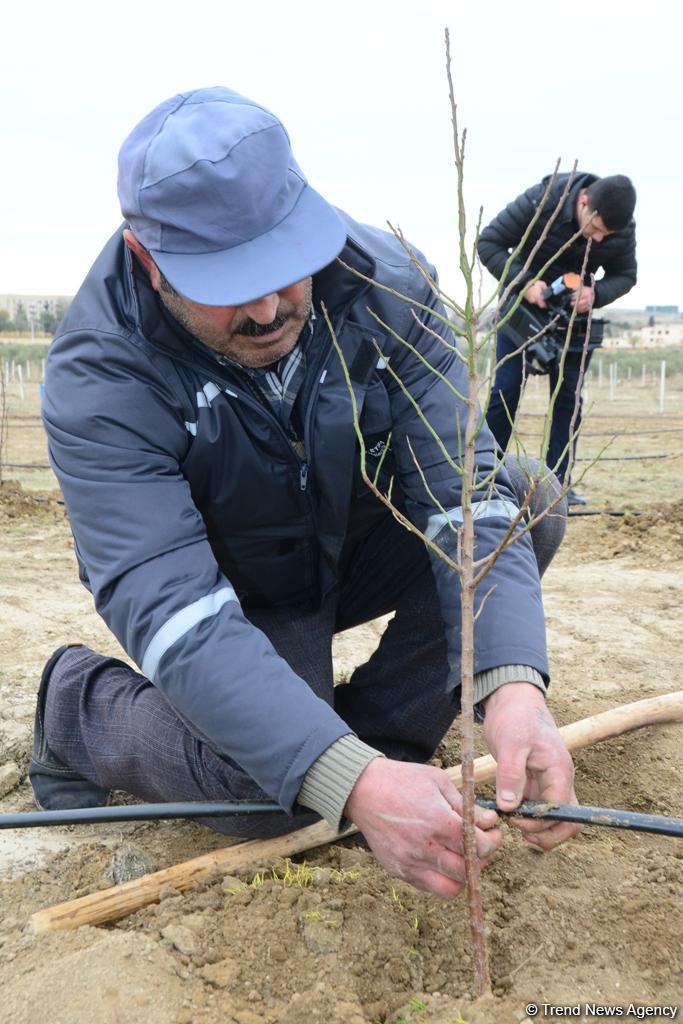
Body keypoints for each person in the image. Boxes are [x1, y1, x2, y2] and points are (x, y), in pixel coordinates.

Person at [30, 87, 579, 901]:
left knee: (523, 499)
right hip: (226, 594)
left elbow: (461, 494)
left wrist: (511, 683)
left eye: (281, 271)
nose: (265, 308)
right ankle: (75, 705)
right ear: (148, 260)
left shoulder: (384, 285)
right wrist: (334, 778)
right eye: (225, 284)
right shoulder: (100, 375)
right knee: (266, 797)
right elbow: (172, 605)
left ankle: (377, 748)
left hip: (345, 542)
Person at [478, 172, 637, 504]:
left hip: (574, 321)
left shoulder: (620, 229)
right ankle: (484, 477)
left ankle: (556, 487)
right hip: (522, 311)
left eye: (607, 236)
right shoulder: (543, 199)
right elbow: (489, 241)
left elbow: (626, 275)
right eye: (594, 230)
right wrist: (525, 282)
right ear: (583, 202)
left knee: (568, 399)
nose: (597, 240)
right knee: (506, 389)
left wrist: (595, 294)